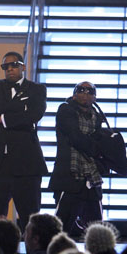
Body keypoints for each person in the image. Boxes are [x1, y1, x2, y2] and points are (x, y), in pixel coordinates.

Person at [0, 51, 47, 234]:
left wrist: (2, 119)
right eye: (5, 66)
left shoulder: (37, 89)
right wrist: (20, 108)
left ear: (23, 67)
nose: (10, 69)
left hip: (26, 163)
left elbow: (34, 115)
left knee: (30, 216)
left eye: (14, 65)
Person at [49, 81, 105, 236]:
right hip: (69, 177)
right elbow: (75, 137)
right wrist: (97, 150)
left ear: (95, 97)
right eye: (81, 90)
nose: (85, 94)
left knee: (96, 230)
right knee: (61, 228)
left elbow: (100, 139)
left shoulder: (98, 116)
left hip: (91, 178)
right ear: (74, 94)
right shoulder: (65, 110)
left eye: (90, 91)